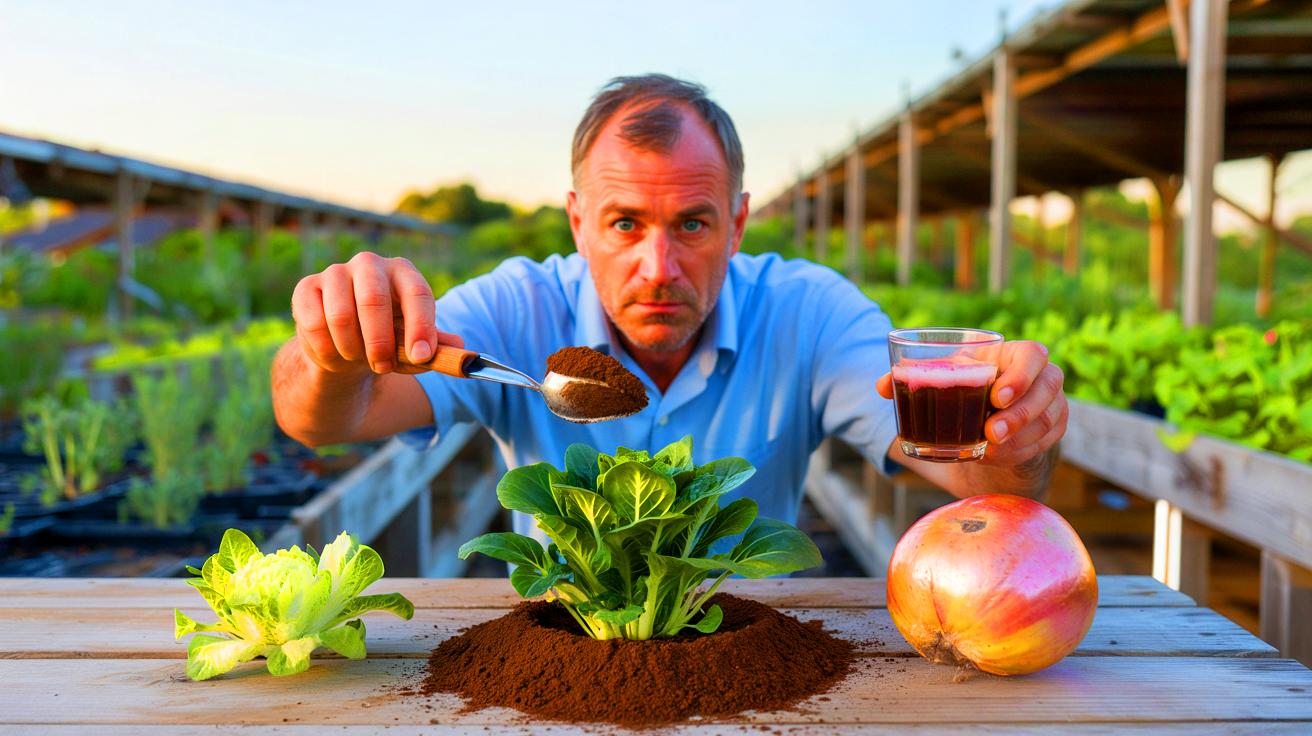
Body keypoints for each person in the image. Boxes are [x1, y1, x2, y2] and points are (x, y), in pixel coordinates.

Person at [272, 74, 1067, 541]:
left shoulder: (808, 312)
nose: (659, 268)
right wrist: (330, 349)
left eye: (692, 223)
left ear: (738, 223)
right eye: (625, 224)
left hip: (754, 664)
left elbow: (973, 472)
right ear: (579, 223)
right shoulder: (517, 307)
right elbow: (321, 418)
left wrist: (1015, 433)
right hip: (566, 658)